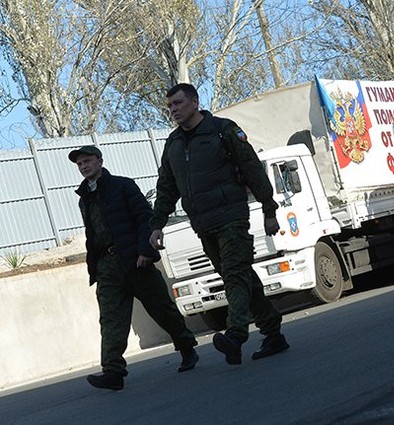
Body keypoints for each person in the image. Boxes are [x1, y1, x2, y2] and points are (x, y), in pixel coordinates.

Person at [149, 83, 289, 365]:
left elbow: (251, 169)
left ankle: (235, 335)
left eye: (178, 103)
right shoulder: (174, 144)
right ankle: (273, 330)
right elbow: (166, 187)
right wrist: (157, 224)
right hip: (203, 224)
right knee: (240, 277)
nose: (174, 110)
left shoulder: (223, 130)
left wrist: (269, 209)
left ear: (194, 102)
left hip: (232, 217)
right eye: (170, 106)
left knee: (235, 274)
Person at [71, 145, 199, 390]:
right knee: (111, 319)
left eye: (87, 161)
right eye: (80, 164)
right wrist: (96, 266)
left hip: (134, 260)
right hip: (107, 266)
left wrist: (145, 251)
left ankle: (186, 347)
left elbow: (144, 218)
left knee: (161, 308)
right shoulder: (85, 197)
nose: (84, 166)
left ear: (100, 161)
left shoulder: (123, 186)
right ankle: (113, 371)